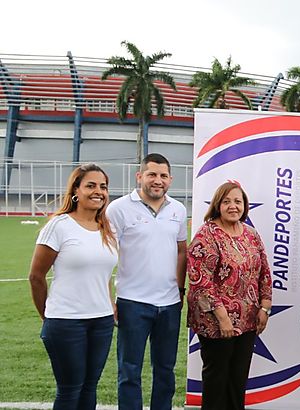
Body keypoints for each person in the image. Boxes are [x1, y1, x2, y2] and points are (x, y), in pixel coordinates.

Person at [28, 164, 118, 410]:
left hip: (101, 322)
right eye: (90, 185)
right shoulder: (59, 226)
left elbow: (104, 274)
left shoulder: (106, 229)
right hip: (66, 321)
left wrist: (109, 303)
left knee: (90, 386)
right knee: (70, 390)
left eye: (103, 186)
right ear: (76, 191)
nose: (98, 191)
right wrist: (47, 317)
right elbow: (36, 276)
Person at [106, 153, 187, 410]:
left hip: (170, 304)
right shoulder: (117, 209)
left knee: (165, 370)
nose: (158, 180)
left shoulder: (178, 209)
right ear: (139, 176)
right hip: (132, 303)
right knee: (129, 370)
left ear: (170, 179)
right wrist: (111, 299)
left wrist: (181, 290)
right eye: (152, 174)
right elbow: (105, 256)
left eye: (163, 176)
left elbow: (182, 251)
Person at [187, 181, 272, 410]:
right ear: (218, 205)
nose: (233, 206)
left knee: (237, 381)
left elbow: (264, 272)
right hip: (216, 324)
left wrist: (265, 308)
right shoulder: (207, 234)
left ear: (245, 205)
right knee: (217, 381)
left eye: (238, 201)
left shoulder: (251, 234)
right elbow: (200, 280)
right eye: (227, 201)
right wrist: (223, 317)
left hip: (247, 322)